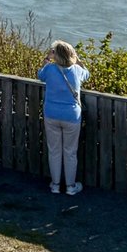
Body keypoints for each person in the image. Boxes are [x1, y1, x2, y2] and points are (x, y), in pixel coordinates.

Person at [39, 40, 89, 195]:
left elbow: (40, 75)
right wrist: (78, 59)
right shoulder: (76, 70)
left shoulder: (49, 69)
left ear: (56, 55)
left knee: (54, 150)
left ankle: (55, 185)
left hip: (51, 114)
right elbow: (87, 74)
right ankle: (70, 187)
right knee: (70, 152)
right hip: (71, 116)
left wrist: (47, 59)